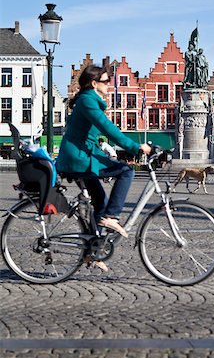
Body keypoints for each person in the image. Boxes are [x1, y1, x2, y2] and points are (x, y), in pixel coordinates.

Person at [56, 64, 151, 241]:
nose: (109, 84)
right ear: (94, 83)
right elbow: (106, 127)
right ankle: (112, 217)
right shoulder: (87, 101)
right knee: (126, 171)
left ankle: (94, 250)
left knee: (100, 200)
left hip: (82, 155)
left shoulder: (88, 100)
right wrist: (135, 147)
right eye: (106, 81)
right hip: (79, 158)